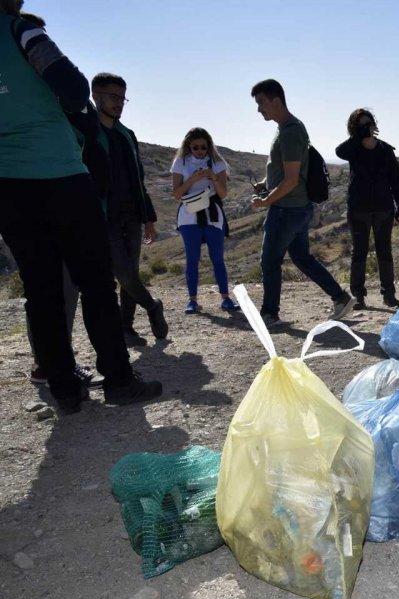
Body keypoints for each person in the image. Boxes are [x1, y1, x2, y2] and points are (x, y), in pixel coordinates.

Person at [0, 0, 160, 412]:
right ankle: (119, 380)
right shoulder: (22, 32)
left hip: (7, 187)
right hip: (59, 176)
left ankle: (65, 389)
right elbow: (73, 90)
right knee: (95, 282)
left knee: (42, 289)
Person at [250, 79, 355, 328]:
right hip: (297, 207)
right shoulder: (289, 128)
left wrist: (266, 200)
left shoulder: (290, 132)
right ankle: (340, 298)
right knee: (302, 258)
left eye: (261, 102)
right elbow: (285, 171)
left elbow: (291, 179)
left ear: (276, 100)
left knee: (270, 261)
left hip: (287, 209)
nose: (259, 109)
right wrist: (266, 183)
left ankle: (269, 314)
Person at [90, 72, 169, 346]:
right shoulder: (86, 133)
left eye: (123, 98)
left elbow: (139, 179)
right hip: (102, 217)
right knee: (122, 272)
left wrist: (148, 218)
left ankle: (126, 329)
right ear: (95, 95)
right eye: (113, 97)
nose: (119, 103)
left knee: (130, 275)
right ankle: (152, 305)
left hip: (132, 215)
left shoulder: (127, 136)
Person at [335, 109, 399, 310]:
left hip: (383, 208)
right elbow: (339, 152)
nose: (367, 128)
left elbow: (396, 182)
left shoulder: (385, 150)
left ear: (375, 125)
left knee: (385, 252)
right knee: (359, 253)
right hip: (358, 209)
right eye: (362, 125)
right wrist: (358, 137)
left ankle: (389, 295)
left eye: (369, 123)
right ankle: (358, 295)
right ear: (355, 128)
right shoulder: (353, 149)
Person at [170, 127, 237, 314]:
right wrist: (192, 179)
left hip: (212, 215)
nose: (199, 151)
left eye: (203, 147)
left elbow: (222, 193)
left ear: (209, 147)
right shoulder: (180, 162)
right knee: (192, 259)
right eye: (195, 147)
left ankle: (225, 298)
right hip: (189, 216)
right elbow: (177, 194)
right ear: (188, 147)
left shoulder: (217, 163)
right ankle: (192, 300)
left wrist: (213, 178)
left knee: (217, 258)